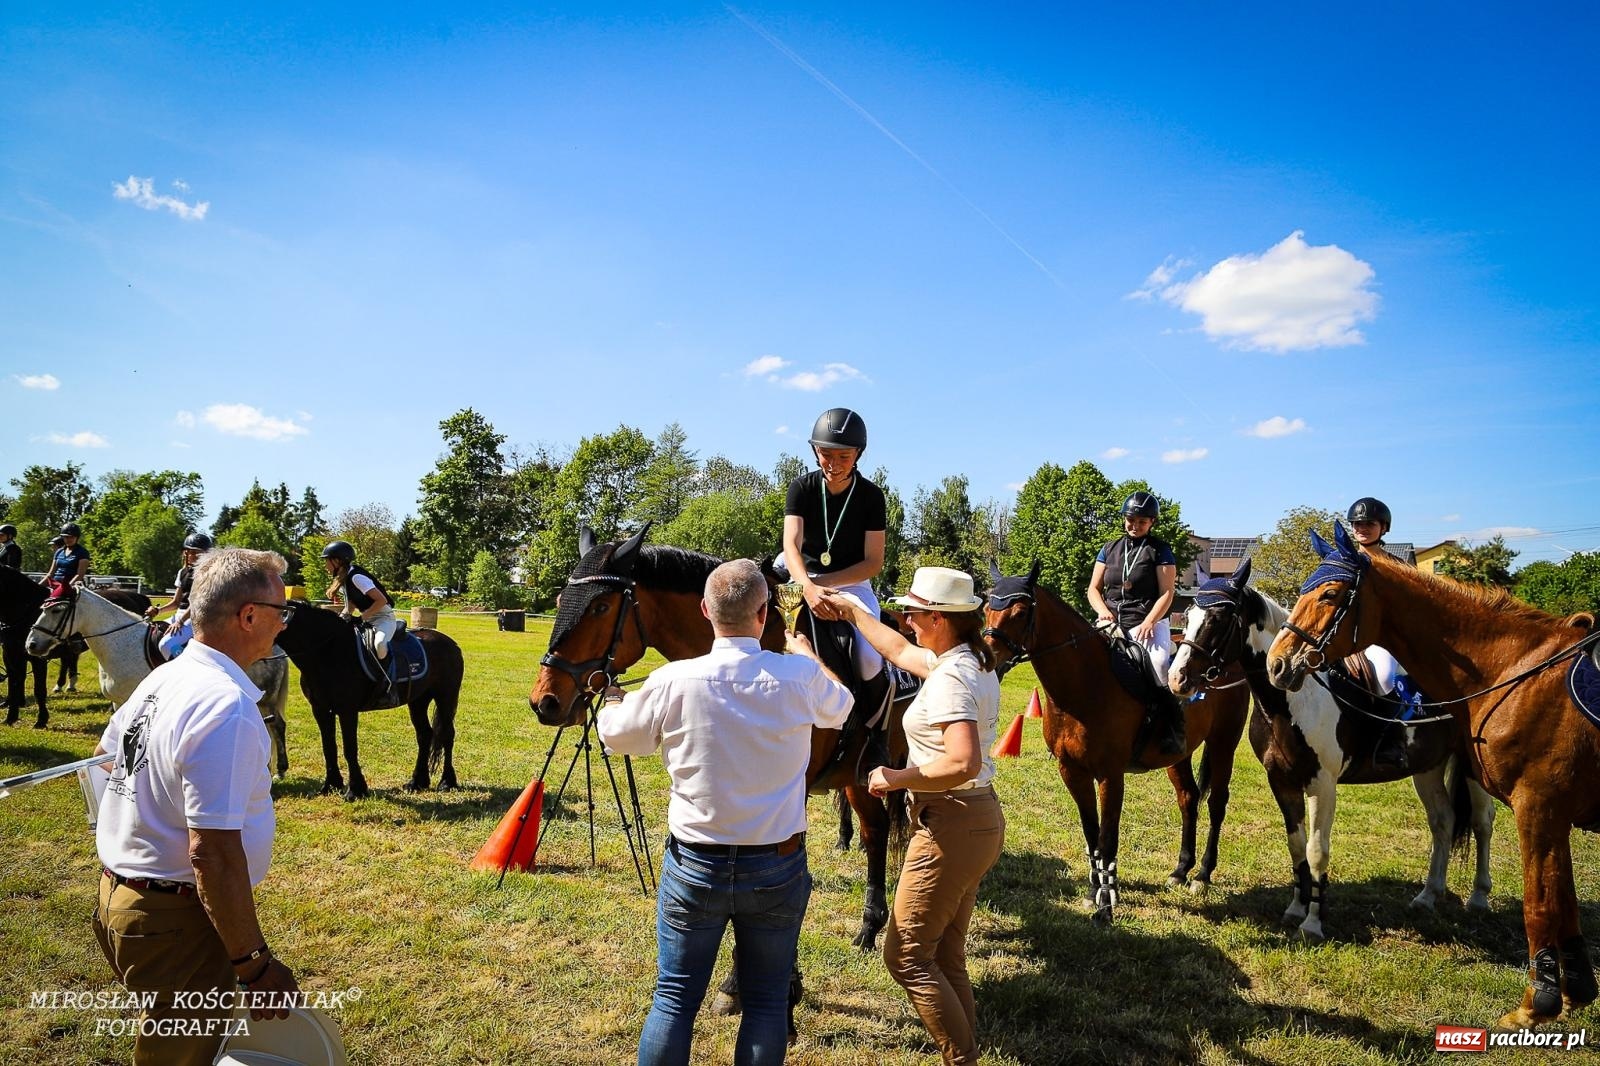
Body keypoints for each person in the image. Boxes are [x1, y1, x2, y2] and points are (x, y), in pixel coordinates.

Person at [599, 558, 853, 1066]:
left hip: (696, 862)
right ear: (764, 614)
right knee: (764, 1000)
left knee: (674, 999)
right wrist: (807, 654)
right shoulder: (799, 675)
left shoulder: (674, 679)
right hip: (777, 864)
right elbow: (841, 706)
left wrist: (610, 698)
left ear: (704, 611)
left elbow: (616, 735)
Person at [92, 547, 301, 1066]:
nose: (284, 625)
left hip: (124, 898)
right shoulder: (225, 705)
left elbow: (102, 761)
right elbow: (212, 852)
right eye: (282, 612)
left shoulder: (163, 677)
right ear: (249, 616)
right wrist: (253, 964)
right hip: (175, 920)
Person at [816, 566, 1003, 1066]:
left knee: (905, 955)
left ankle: (960, 1058)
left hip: (951, 820)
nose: (906, 620)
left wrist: (896, 778)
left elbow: (961, 761)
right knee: (945, 955)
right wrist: (854, 611)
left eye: (914, 613)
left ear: (939, 618)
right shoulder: (966, 662)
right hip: (975, 817)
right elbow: (896, 651)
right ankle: (967, 1053)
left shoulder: (951, 680)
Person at [782, 407, 888, 685]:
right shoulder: (801, 488)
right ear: (815, 451)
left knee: (869, 658)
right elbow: (791, 543)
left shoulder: (872, 497)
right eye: (826, 454)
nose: (833, 463)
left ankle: (873, 723)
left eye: (844, 456)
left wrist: (822, 584)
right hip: (800, 577)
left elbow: (873, 562)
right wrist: (807, 585)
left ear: (858, 454)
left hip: (851, 585)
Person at [1086, 491, 1183, 753]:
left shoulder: (1160, 551)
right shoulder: (1108, 549)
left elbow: (1167, 593)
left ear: (1152, 522)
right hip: (1111, 619)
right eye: (1131, 519)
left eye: (1142, 521)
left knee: (1160, 664)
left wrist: (1150, 621)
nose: (1134, 525)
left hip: (1146, 621)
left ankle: (1170, 728)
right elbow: (1093, 589)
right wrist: (1103, 611)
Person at [1344, 497, 1420, 769]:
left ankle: (1389, 741)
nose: (1362, 528)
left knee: (1385, 676)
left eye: (1369, 523)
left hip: (1383, 640)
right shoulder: (1344, 561)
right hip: (1344, 637)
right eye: (1357, 523)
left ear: (1383, 527)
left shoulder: (1398, 566)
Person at [321, 540, 397, 660]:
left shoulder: (357, 577)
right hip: (368, 620)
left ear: (337, 561)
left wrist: (361, 618)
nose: (325, 565)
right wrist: (340, 621)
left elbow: (381, 600)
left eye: (327, 561)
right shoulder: (343, 579)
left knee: (379, 644)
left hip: (384, 619)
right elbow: (350, 606)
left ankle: (388, 676)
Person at [146, 531, 214, 659]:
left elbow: (197, 604)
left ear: (205, 555)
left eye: (195, 552)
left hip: (196, 618)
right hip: (180, 614)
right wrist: (157, 611)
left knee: (166, 645)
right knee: (152, 635)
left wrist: (180, 622)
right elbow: (176, 603)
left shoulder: (207, 574)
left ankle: (185, 670)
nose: (189, 555)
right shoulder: (182, 572)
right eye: (188, 551)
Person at [45, 521, 91, 598]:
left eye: (71, 537)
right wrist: (38, 586)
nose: (68, 539)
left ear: (77, 537)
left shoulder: (82, 552)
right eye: (66, 537)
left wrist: (66, 587)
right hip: (55, 584)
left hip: (71, 586)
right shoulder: (59, 552)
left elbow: (79, 575)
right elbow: (51, 573)